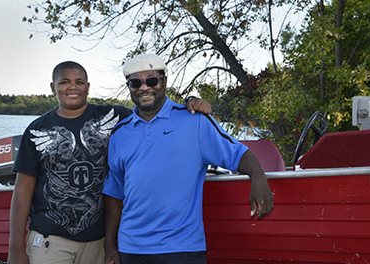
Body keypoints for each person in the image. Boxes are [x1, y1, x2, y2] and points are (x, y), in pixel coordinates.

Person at [8, 60, 211, 264]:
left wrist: (190, 104)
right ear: (53, 87)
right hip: (50, 240)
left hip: (99, 241)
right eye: (64, 82)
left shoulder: (114, 117)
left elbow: (150, 109)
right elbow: (23, 189)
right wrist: (15, 247)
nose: (72, 87)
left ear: (87, 87)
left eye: (79, 81)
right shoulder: (37, 130)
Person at [103, 54, 274, 264]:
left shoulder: (194, 121)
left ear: (164, 81)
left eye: (152, 80)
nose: (144, 88)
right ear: (129, 87)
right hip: (131, 248)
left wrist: (258, 177)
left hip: (182, 248)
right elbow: (114, 194)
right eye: (136, 82)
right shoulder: (120, 133)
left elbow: (238, 153)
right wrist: (110, 245)